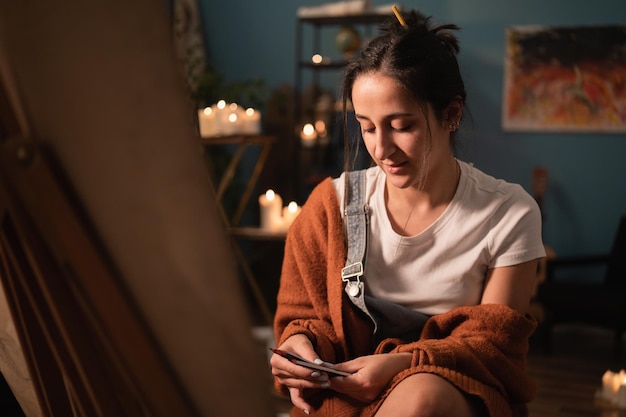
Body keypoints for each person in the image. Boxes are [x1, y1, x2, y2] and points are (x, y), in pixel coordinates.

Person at [270, 8, 545, 417]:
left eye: (401, 125)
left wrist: (402, 364)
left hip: (452, 392)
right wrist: (299, 346)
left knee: (421, 398)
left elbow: (492, 344)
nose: (381, 149)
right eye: (367, 126)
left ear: (450, 114)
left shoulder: (509, 213)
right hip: (347, 391)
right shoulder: (330, 208)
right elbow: (303, 318)